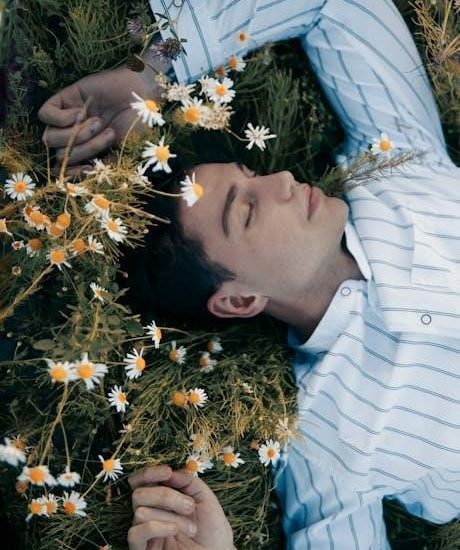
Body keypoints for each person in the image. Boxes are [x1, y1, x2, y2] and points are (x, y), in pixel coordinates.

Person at [38, 1, 460, 548]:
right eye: (248, 211)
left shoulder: (397, 162)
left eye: (253, 173)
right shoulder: (326, 442)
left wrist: (153, 72)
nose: (282, 180)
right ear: (239, 300)